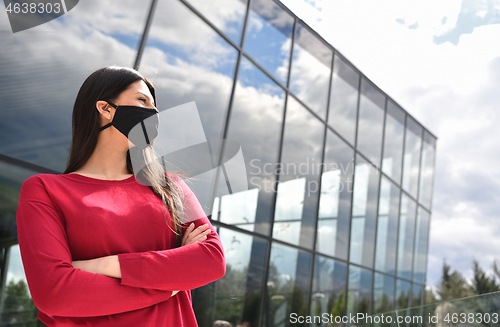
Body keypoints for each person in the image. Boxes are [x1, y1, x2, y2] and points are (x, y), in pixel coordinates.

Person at [16, 66, 226, 326]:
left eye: (154, 104)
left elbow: (211, 260)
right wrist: (171, 283)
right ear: (106, 109)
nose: (154, 112)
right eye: (142, 100)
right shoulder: (44, 190)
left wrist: (104, 265)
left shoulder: (171, 187)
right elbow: (55, 294)